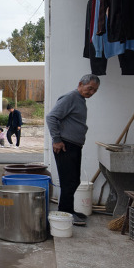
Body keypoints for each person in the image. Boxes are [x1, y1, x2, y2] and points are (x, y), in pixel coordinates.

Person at [46, 74, 100, 226]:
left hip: (74, 145)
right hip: (65, 145)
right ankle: (65, 212)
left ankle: (69, 210)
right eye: (90, 88)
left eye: (95, 91)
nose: (91, 93)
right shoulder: (71, 97)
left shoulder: (80, 99)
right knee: (68, 181)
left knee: (74, 180)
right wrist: (56, 140)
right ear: (80, 84)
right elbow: (51, 117)